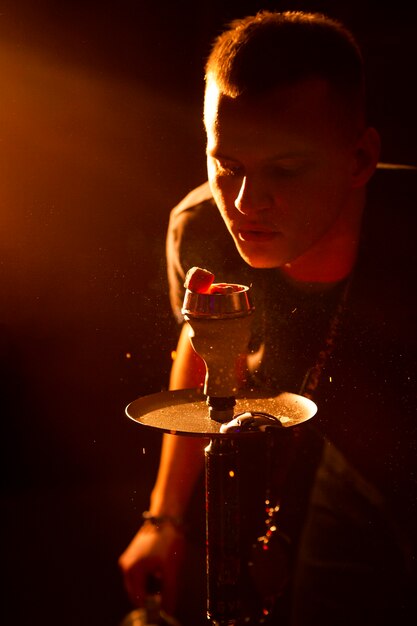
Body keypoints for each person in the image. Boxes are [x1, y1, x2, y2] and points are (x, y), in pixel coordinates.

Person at [119, 10, 417, 625]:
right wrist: (162, 519)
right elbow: (203, 346)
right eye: (226, 165)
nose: (246, 204)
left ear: (360, 158)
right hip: (340, 475)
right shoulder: (201, 228)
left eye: (285, 169)